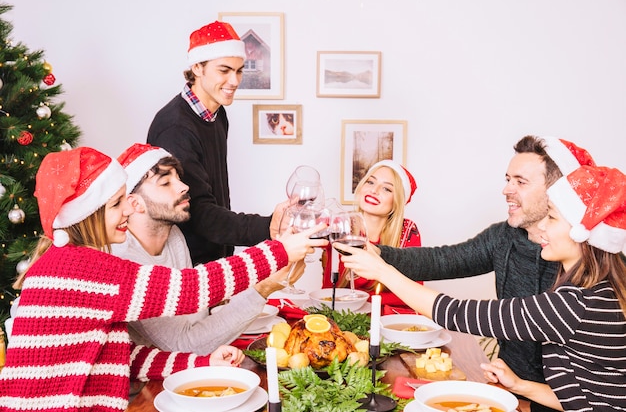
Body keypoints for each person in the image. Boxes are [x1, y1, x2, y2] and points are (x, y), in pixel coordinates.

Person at [0, 147, 326, 412]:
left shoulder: (76, 262)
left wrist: (200, 363)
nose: (128, 210)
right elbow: (193, 288)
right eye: (116, 205)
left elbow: (125, 356)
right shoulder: (85, 269)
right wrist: (278, 250)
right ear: (89, 214)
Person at [337, 163, 626, 411]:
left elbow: (457, 313)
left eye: (551, 218)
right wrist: (522, 386)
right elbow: (589, 399)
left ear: (583, 233)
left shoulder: (574, 305)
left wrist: (382, 272)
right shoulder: (591, 291)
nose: (542, 228)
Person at [111, 143, 305, 355]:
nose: (184, 187)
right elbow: (182, 346)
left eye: (178, 177)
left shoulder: (173, 235)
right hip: (146, 383)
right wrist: (262, 288)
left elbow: (194, 315)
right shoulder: (123, 259)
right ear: (135, 203)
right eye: (166, 182)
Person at [147, 21, 281, 264]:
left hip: (214, 256)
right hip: (185, 262)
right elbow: (197, 212)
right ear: (197, 67)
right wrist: (269, 226)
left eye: (239, 70)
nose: (235, 80)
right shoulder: (176, 128)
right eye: (224, 70)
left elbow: (214, 195)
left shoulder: (217, 115)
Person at [321, 160, 422, 313]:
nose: (374, 190)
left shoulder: (407, 231)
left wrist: (361, 298)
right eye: (370, 182)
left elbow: (414, 292)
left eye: (387, 189)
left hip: (388, 322)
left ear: (397, 201)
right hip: (339, 316)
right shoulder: (339, 225)